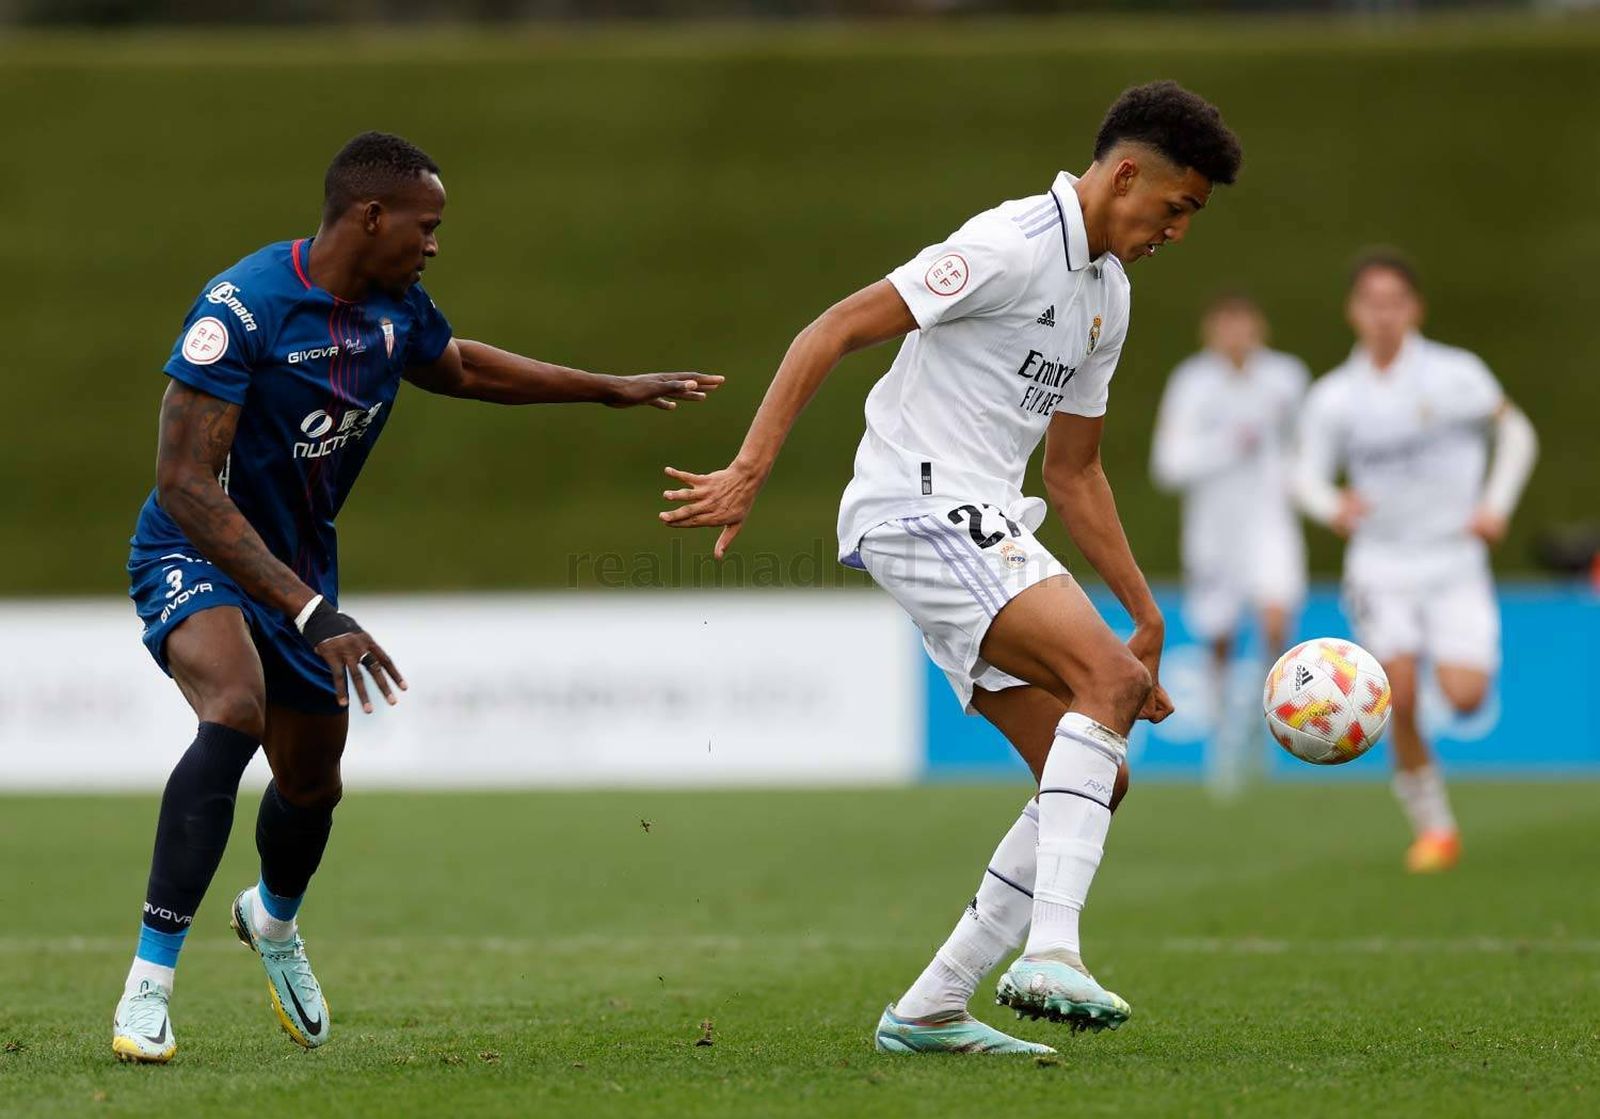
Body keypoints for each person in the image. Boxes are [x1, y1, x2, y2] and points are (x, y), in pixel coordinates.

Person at [113, 132, 721, 1064]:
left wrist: (608, 390)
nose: (434, 243)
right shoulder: (243, 308)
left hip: (303, 570)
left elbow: (465, 369)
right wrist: (316, 614)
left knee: (313, 784)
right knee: (234, 709)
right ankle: (148, 988)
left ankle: (272, 923)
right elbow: (188, 482)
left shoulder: (394, 309)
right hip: (198, 547)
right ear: (370, 215)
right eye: (426, 225)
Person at [659, 81, 1241, 1054]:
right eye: (1175, 208)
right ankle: (1051, 950)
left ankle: (930, 1005)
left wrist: (1143, 611)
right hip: (918, 503)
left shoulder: (1109, 295)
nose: (1175, 232)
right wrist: (750, 468)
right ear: (1127, 173)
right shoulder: (1010, 245)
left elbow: (1074, 469)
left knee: (1100, 773)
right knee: (1104, 683)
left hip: (982, 521)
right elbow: (832, 329)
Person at [1295, 250, 1537, 874]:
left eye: (1394, 302)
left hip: (1454, 559)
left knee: (1464, 695)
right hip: (1381, 564)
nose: (1383, 315)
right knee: (1396, 694)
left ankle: (1425, 716)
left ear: (1414, 308)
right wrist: (1330, 505)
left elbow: (1517, 434)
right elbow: (1304, 476)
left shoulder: (1456, 376)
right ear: (1354, 311)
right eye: (1371, 303)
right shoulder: (1336, 397)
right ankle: (1435, 829)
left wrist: (1495, 505)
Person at [1150, 294, 1308, 787]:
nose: (1237, 336)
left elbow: (1304, 448)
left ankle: (1264, 722)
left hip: (1270, 522)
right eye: (1226, 326)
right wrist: (1228, 444)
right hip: (1213, 531)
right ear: (1211, 332)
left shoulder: (1287, 378)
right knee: (1219, 637)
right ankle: (1223, 737)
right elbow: (1168, 466)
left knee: (1277, 619)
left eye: (1245, 325)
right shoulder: (1192, 383)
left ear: (1260, 328)